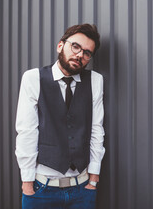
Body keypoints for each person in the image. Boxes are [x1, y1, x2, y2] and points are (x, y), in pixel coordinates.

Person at [15, 23, 105, 209]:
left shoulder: (95, 81)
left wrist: (94, 178)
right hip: (41, 190)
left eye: (87, 53)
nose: (80, 54)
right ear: (60, 45)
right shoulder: (33, 78)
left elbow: (97, 128)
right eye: (76, 46)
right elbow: (27, 131)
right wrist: (27, 183)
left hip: (82, 189)